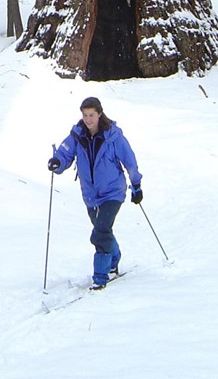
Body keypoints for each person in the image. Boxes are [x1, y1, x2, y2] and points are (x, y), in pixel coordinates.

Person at [48, 96, 143, 290]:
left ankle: (100, 278)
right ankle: (114, 258)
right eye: (85, 115)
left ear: (100, 114)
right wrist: (57, 162)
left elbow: (129, 161)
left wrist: (136, 185)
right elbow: (65, 153)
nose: (88, 119)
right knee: (103, 231)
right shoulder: (78, 135)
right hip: (90, 195)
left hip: (112, 193)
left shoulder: (113, 136)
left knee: (99, 233)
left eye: (91, 115)